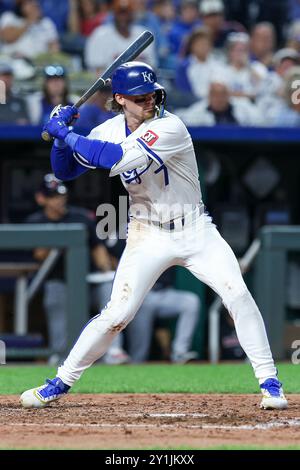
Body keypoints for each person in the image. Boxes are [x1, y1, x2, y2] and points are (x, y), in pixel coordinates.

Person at [20, 60, 288, 410]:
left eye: (152, 94)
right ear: (120, 99)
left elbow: (111, 158)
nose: (149, 101)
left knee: (237, 295)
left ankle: (270, 383)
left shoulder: (169, 127)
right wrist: (60, 141)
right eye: (140, 97)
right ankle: (59, 382)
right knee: (117, 314)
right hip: (147, 234)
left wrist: (66, 133)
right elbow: (65, 170)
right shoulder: (110, 128)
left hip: (195, 230)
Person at [25, 173, 113, 364]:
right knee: (55, 295)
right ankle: (60, 355)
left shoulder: (80, 217)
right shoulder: (35, 221)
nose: (58, 201)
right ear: (41, 199)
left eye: (61, 196)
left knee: (111, 291)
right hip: (59, 281)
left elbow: (98, 248)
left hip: (89, 281)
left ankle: (113, 352)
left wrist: (105, 269)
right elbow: (38, 255)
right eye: (53, 197)